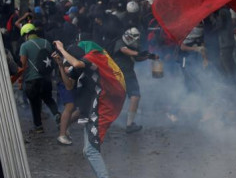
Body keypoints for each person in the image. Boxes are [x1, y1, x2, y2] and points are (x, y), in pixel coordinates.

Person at [53, 39, 126, 178]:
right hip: (89, 111)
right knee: (88, 151)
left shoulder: (92, 59)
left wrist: (61, 49)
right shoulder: (78, 65)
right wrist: (61, 66)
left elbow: (76, 63)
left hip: (101, 109)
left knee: (91, 151)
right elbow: (69, 85)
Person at [112, 27, 157, 133]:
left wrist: (148, 56)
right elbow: (125, 50)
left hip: (127, 73)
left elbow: (137, 58)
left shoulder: (134, 46)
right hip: (121, 72)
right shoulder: (120, 42)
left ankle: (129, 123)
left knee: (134, 96)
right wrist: (137, 54)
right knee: (133, 96)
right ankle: (129, 124)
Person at [18, 23, 60, 133]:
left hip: (32, 80)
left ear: (26, 35)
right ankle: (57, 115)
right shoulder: (46, 42)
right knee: (48, 99)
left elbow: (23, 65)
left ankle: (38, 126)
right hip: (46, 79)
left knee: (35, 103)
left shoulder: (25, 46)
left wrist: (20, 81)